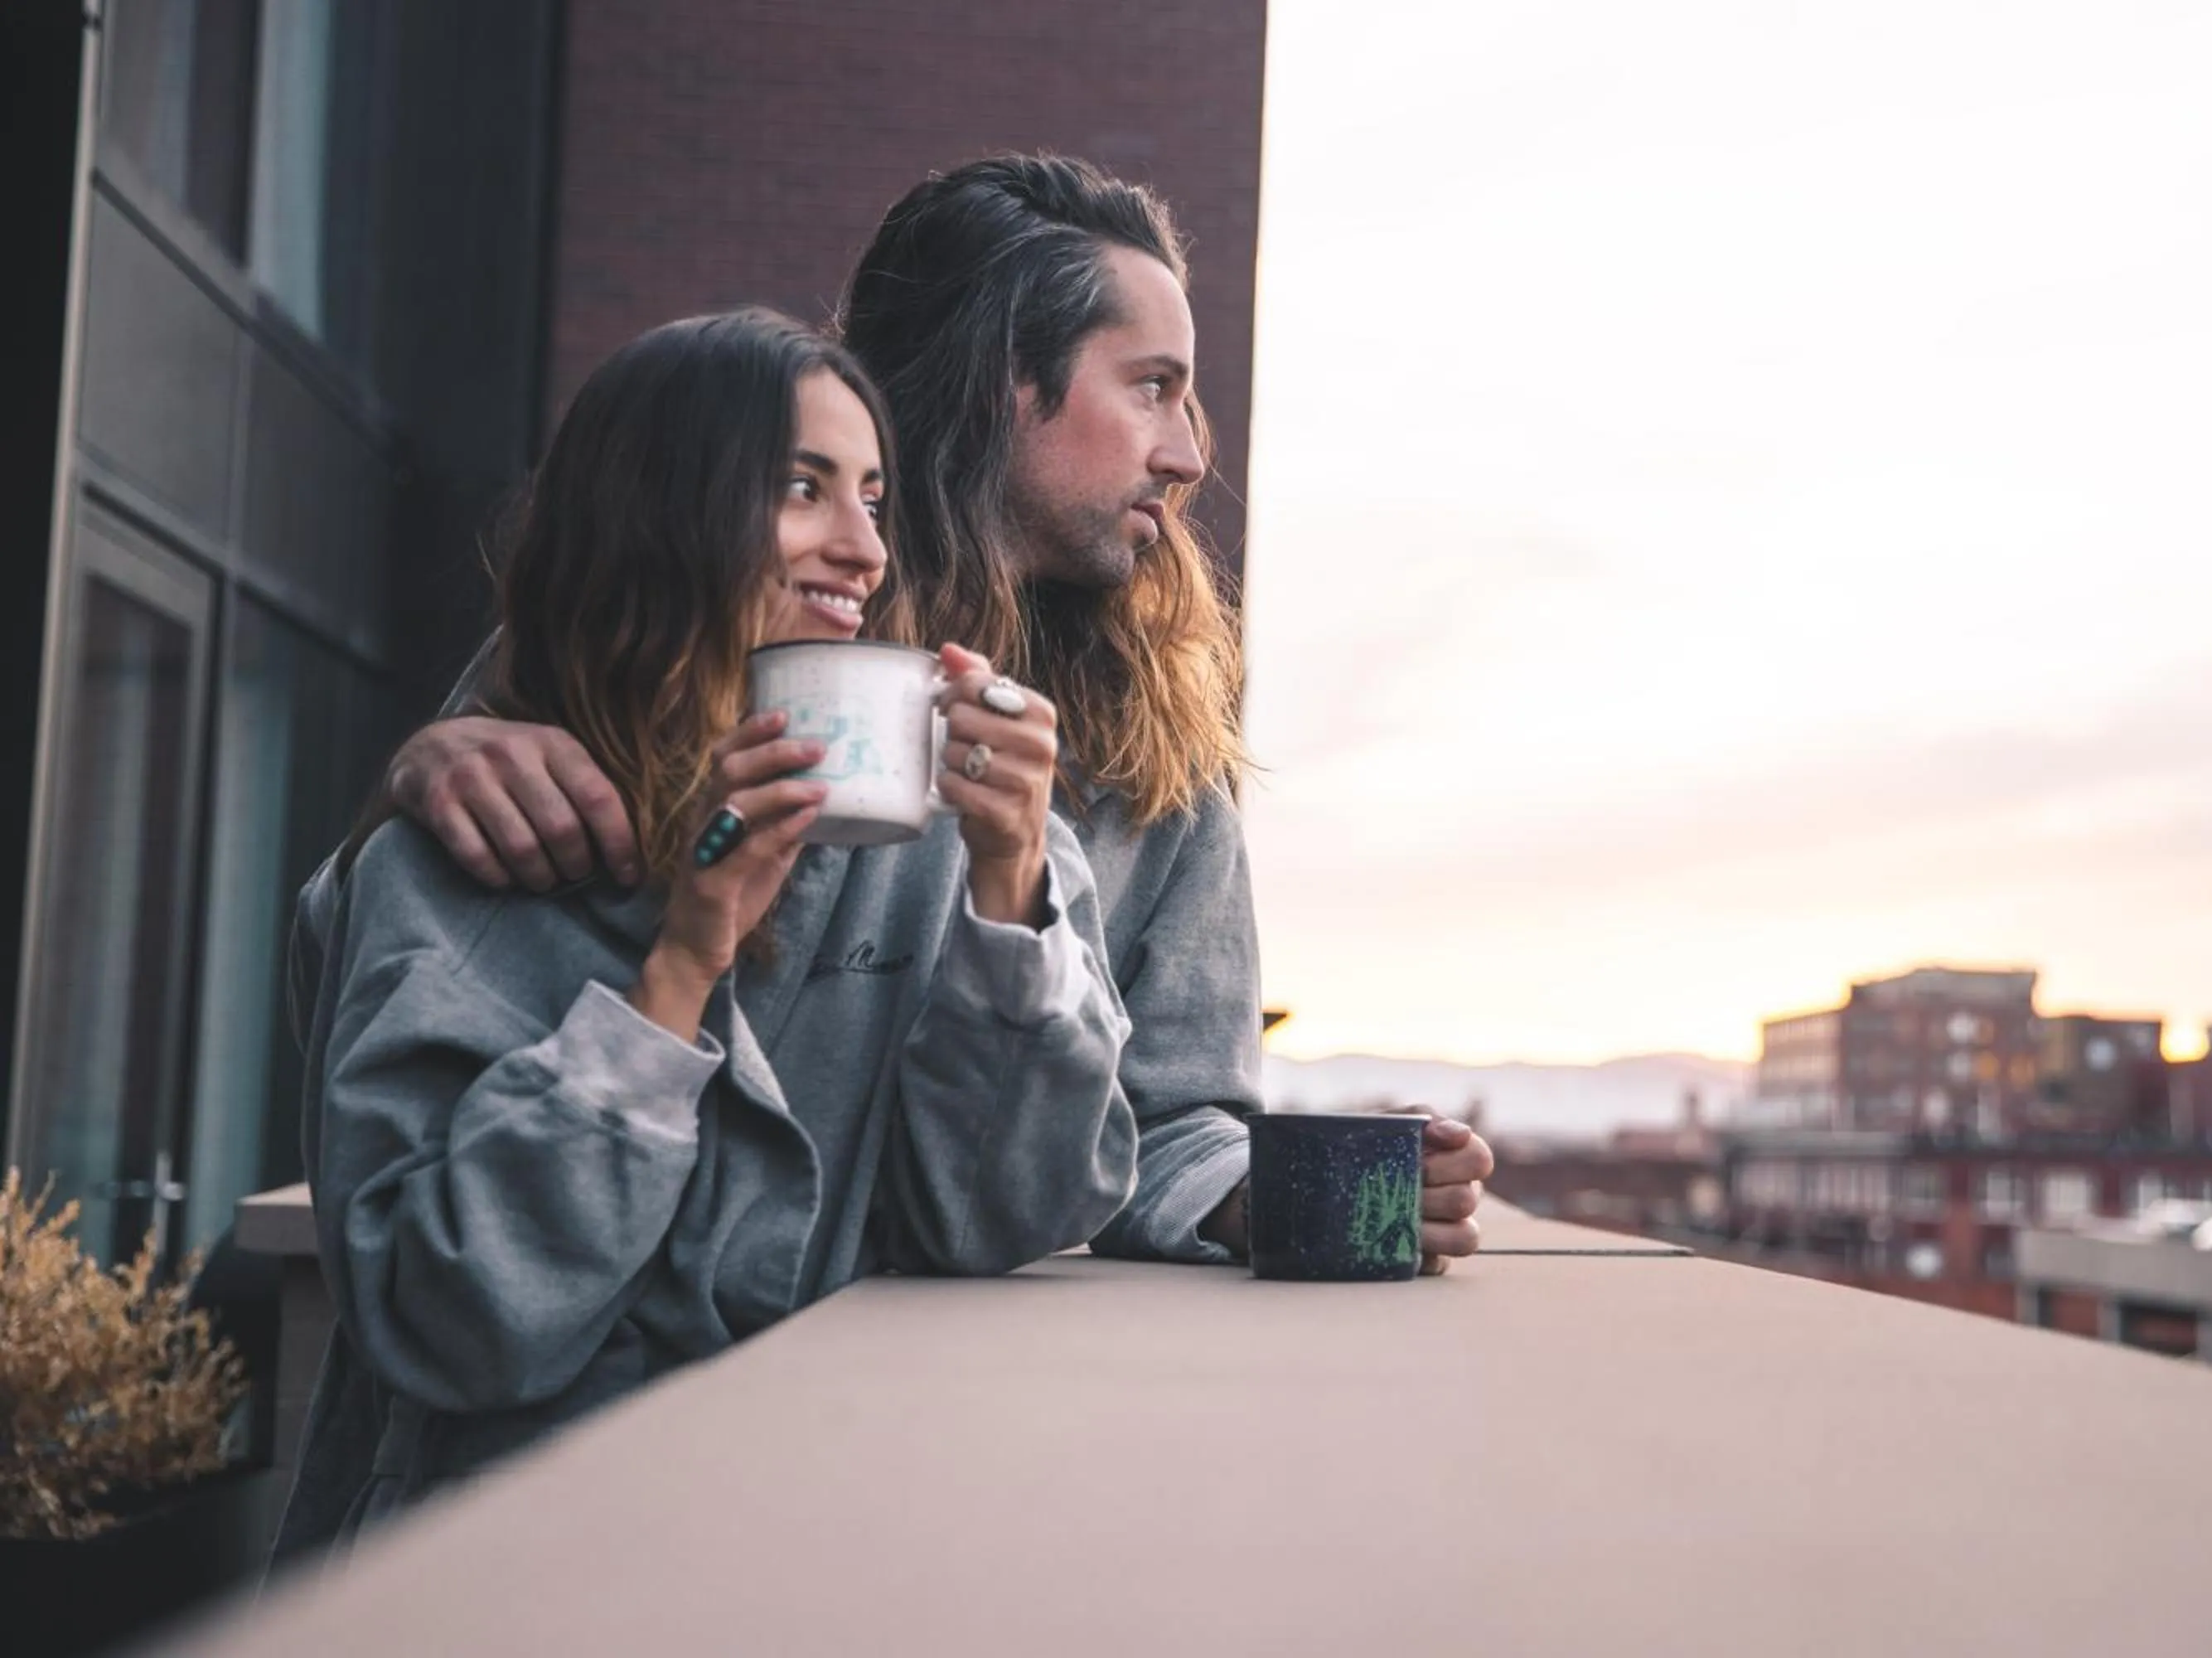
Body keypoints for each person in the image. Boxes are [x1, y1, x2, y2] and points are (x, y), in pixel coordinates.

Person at [325, 155, 1493, 1271]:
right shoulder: (685, 647)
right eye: (1153, 388)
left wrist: (1312, 1190)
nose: (1189, 455)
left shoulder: (1155, 749)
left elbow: (1160, 1128)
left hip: (900, 1371)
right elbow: (403, 955)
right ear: (1003, 385)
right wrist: (430, 766)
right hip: (609, 1340)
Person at [274, 310, 1135, 1561]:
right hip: (507, 1566)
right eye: (803, 488)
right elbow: (450, 1320)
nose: (864, 548)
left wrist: (1010, 891)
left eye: (873, 499)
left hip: (824, 1540)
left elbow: (1011, 1216)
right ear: (658, 511)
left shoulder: (935, 850)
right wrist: (677, 971)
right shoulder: (464, 856)